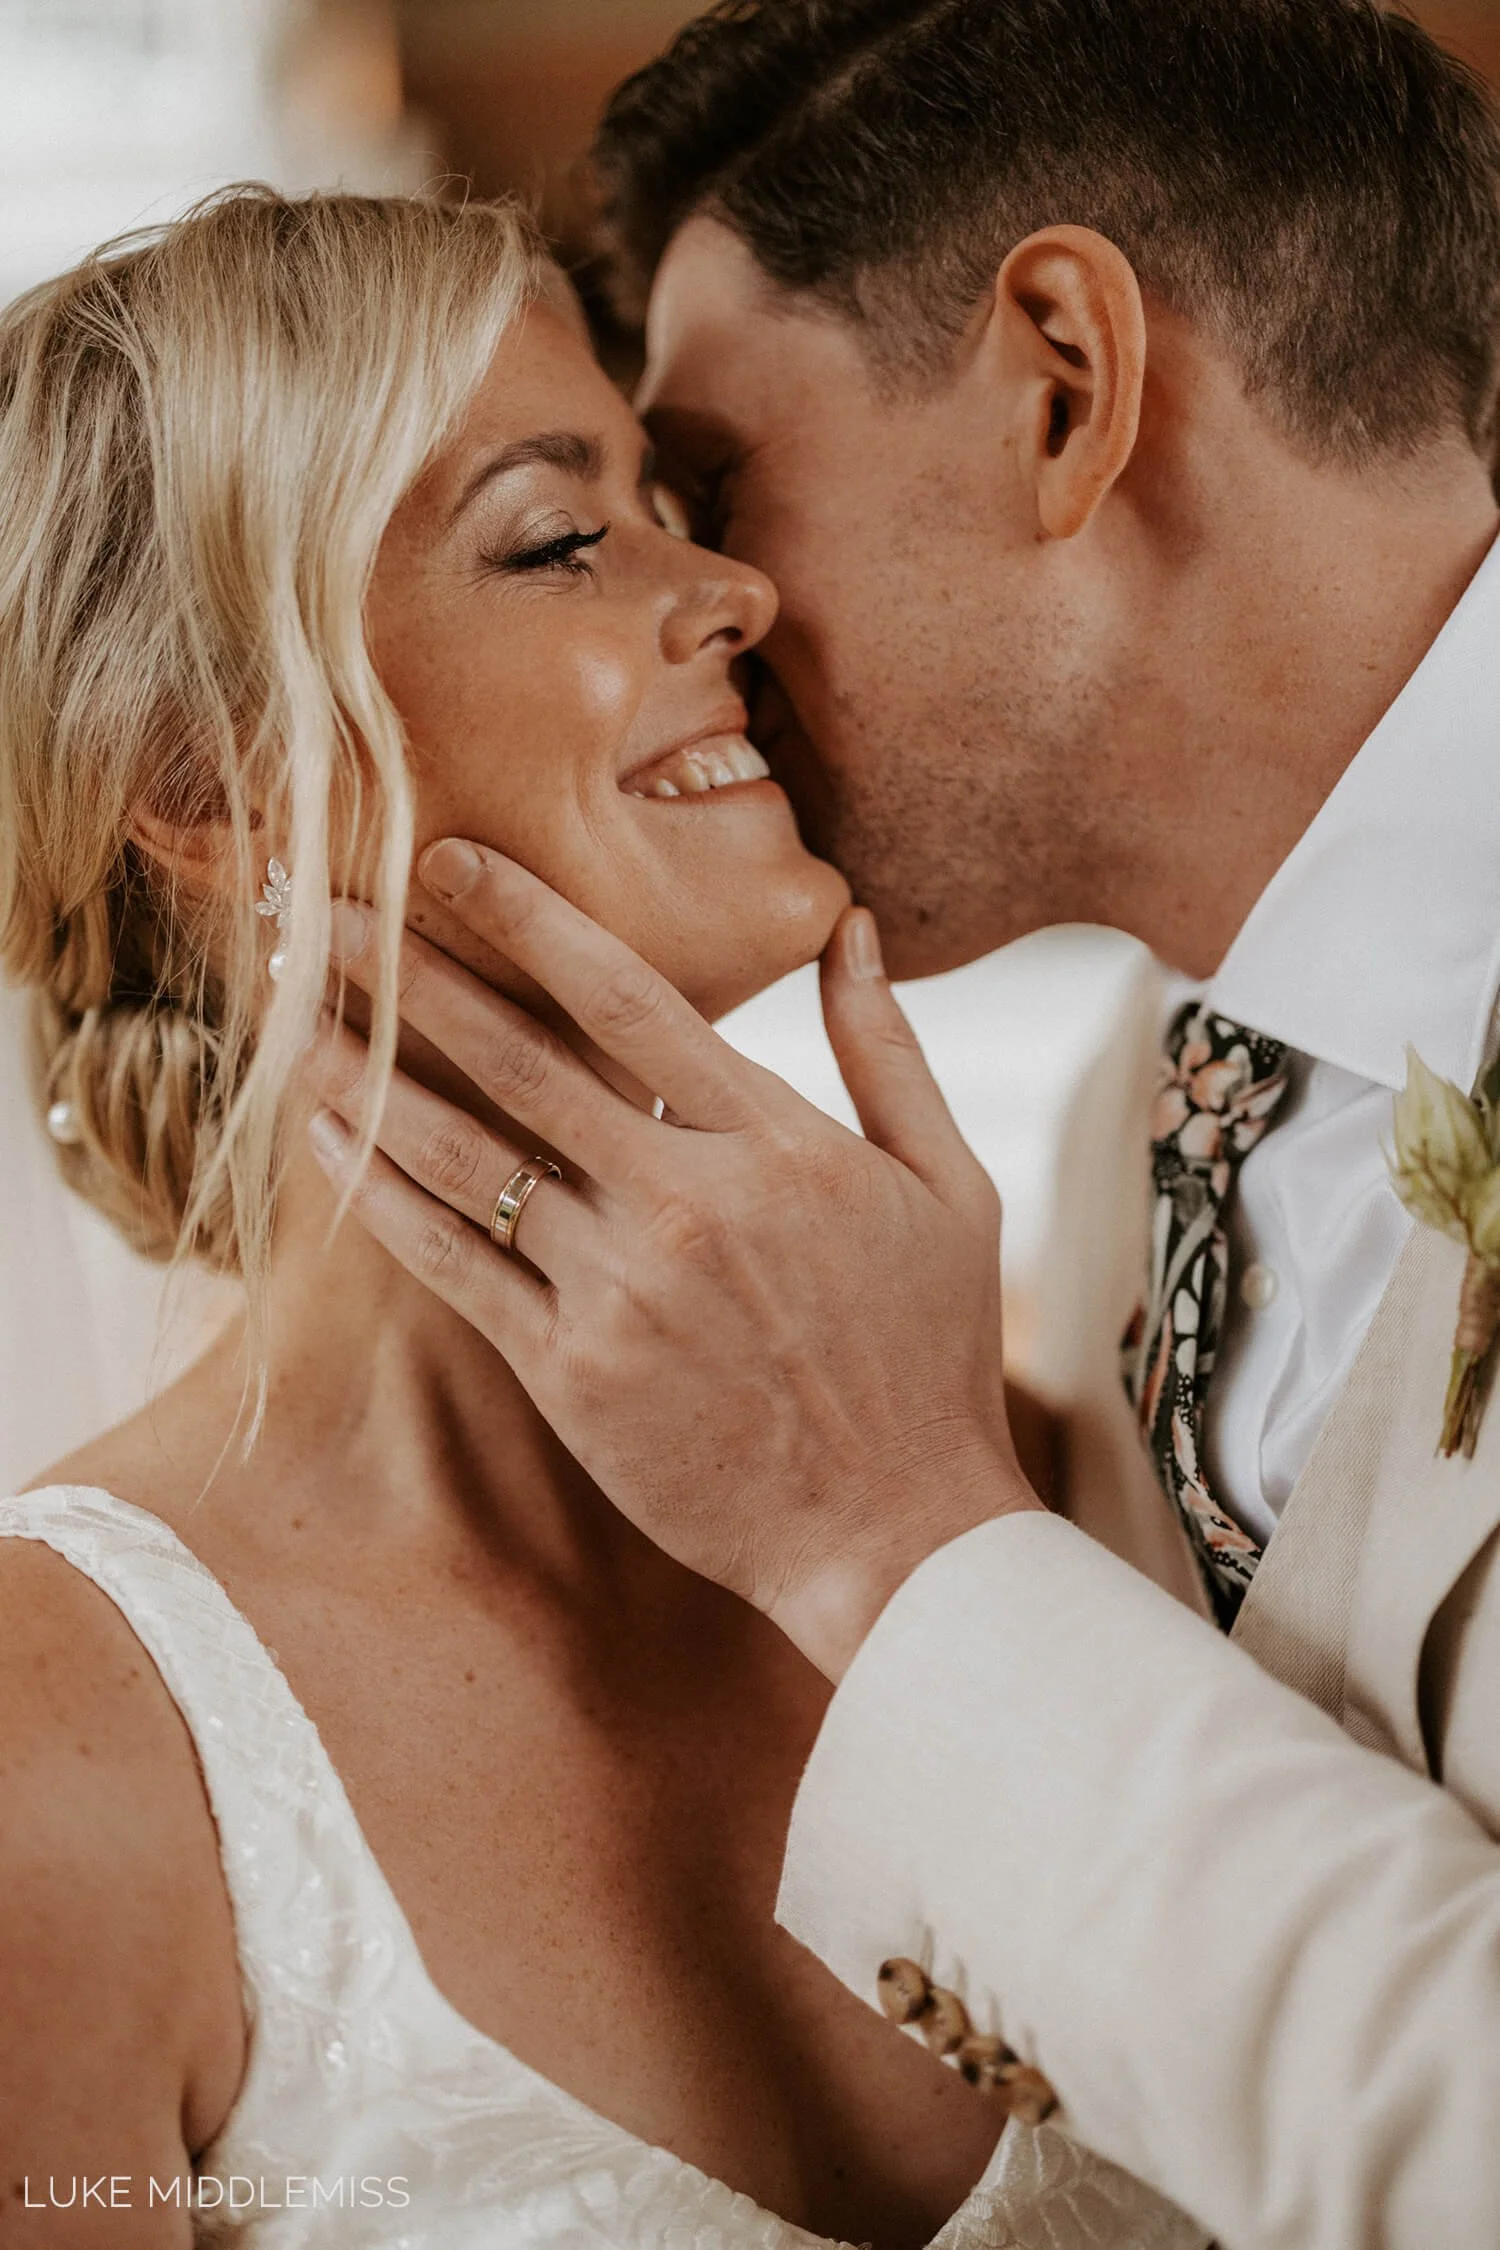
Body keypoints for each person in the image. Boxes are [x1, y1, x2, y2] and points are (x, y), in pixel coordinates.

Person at [302, 3, 1500, 2245]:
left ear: (1063, 380)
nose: (717, 608)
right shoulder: (1142, 1131)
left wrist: (890, 1535)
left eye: (713, 491)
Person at [0, 185, 1126, 2250]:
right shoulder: (50, 1761)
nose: (739, 595)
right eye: (560, 537)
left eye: (679, 500)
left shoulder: (1050, 1500)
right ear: (220, 774)